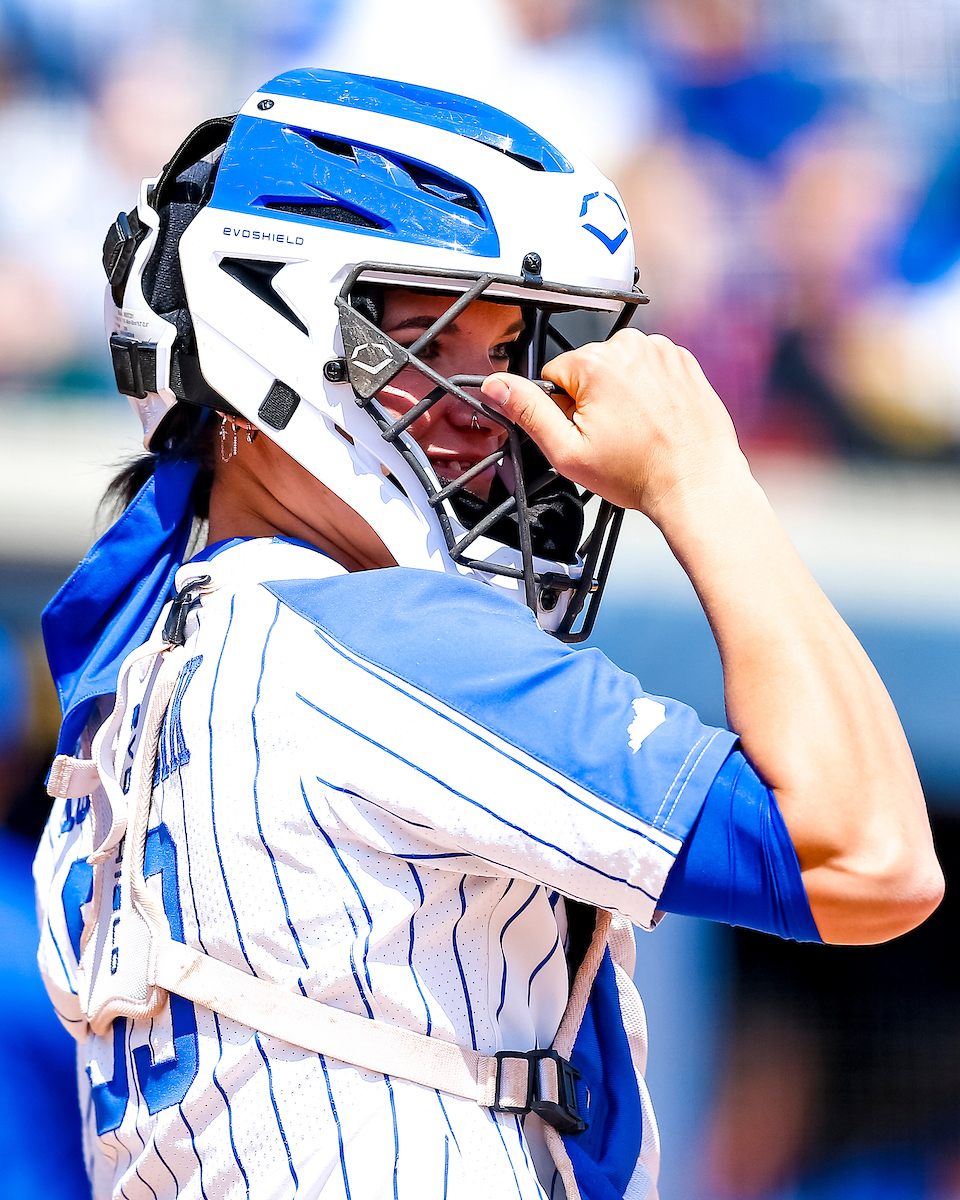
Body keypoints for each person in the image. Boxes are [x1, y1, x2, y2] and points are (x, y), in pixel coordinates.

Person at [33, 68, 942, 1200]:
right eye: (427, 337)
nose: (493, 403)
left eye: (505, 347)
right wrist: (705, 478)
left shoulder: (136, 661)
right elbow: (869, 858)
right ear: (266, 330)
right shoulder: (378, 637)